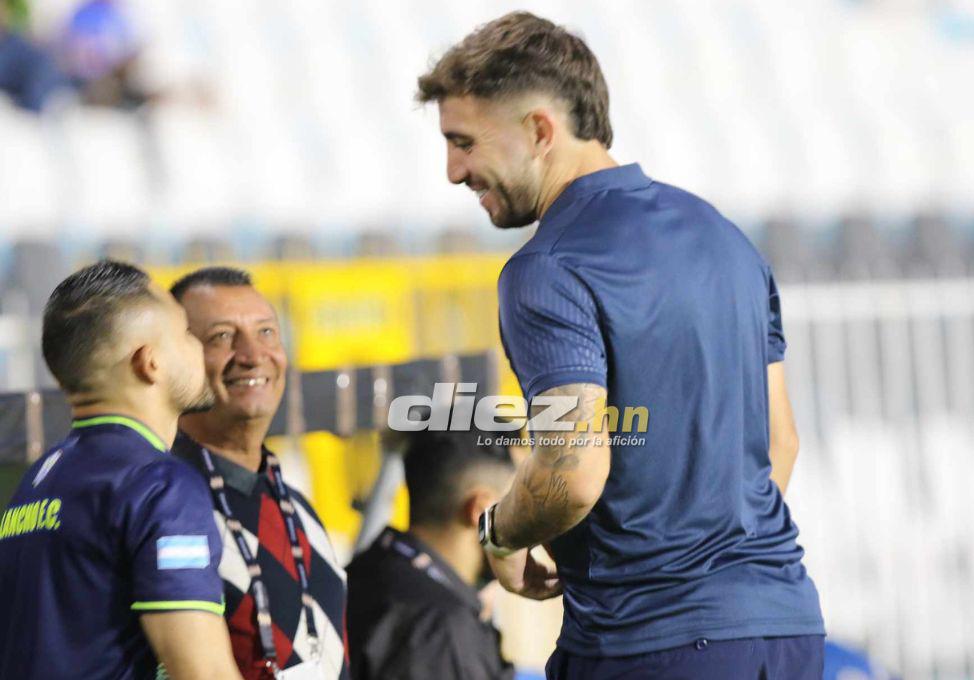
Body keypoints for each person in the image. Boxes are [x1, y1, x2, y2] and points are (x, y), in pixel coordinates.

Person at [417, 12, 825, 679]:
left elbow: (572, 473)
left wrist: (500, 531)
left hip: (650, 646)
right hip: (784, 630)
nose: (454, 171)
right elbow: (780, 443)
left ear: (539, 130)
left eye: (463, 142)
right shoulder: (724, 237)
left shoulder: (547, 268)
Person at [0, 261, 242, 680]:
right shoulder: (160, 485)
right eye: (185, 333)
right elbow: (204, 673)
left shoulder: (35, 482)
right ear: (149, 363)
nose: (199, 347)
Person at [169, 266, 349, 680]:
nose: (252, 354)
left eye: (267, 332)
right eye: (222, 337)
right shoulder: (163, 504)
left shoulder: (297, 508)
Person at [346, 428, 515, 680]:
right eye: (521, 502)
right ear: (482, 510)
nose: (530, 521)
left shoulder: (363, 572)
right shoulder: (442, 630)